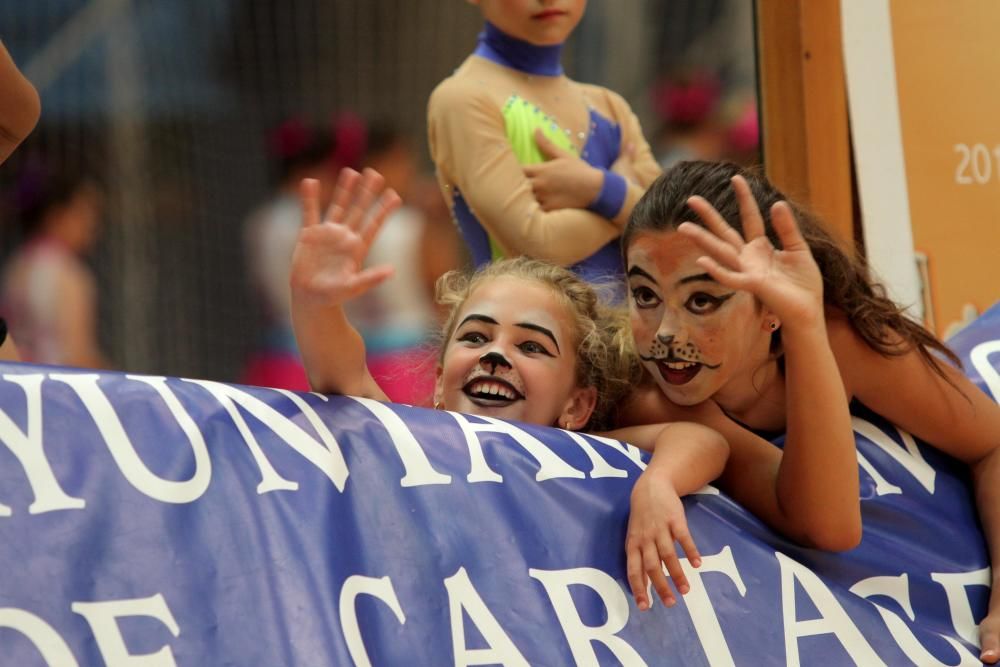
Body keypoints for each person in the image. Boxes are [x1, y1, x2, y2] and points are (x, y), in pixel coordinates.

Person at [290, 167, 729, 610]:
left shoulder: (579, 458)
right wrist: (317, 305)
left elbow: (702, 439)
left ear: (577, 405)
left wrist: (659, 483)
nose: (496, 356)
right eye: (476, 337)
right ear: (441, 380)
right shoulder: (412, 441)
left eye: (531, 345)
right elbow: (344, 378)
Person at [620, 160, 1000, 661]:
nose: (667, 333)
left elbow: (992, 442)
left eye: (702, 301)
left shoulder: (843, 341)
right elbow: (830, 527)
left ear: (770, 308)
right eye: (645, 295)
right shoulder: (658, 397)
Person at [427, 0, 661, 287]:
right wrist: (620, 195)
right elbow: (537, 246)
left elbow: (669, 226)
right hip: (526, 327)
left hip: (634, 330)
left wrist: (596, 187)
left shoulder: (610, 106)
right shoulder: (463, 99)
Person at [241, 118, 338, 390]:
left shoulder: (260, 219)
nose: (333, 185)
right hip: (306, 358)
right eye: (329, 174)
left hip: (273, 355)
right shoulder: (304, 224)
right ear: (307, 173)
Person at [0, 166, 109, 368]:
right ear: (56, 215)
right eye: (85, 213)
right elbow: (77, 354)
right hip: (56, 389)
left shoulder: (17, 265)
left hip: (14, 381)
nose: (92, 225)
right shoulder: (68, 273)